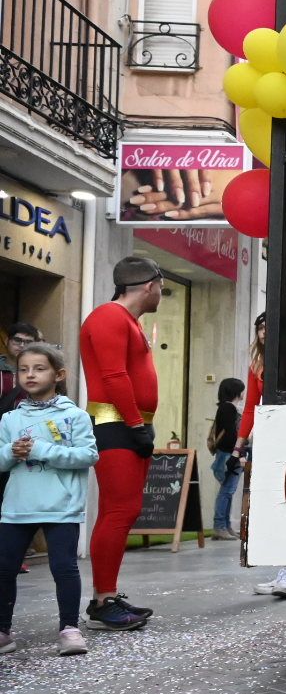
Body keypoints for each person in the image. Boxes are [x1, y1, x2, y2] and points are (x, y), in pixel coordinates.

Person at [79, 255, 163, 631]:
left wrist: (140, 424)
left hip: (126, 425)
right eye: (161, 287)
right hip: (116, 425)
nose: (161, 293)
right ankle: (102, 600)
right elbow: (114, 377)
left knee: (122, 511)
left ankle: (107, 596)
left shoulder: (123, 320)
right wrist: (135, 425)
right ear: (150, 285)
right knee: (118, 511)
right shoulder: (110, 317)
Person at [0, 343, 97, 656]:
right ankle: (3, 630)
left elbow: (88, 455)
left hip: (62, 507)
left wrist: (42, 450)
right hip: (17, 506)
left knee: (64, 567)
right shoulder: (9, 419)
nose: (30, 375)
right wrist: (9, 452)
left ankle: (69, 628)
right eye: (23, 369)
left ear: (59, 374)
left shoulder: (76, 416)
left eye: (39, 368)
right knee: (3, 568)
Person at [234, 313, 286, 599]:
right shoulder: (257, 365)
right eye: (259, 327)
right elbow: (250, 406)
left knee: (285, 499)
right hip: (269, 435)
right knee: (276, 499)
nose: (263, 332)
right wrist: (238, 446)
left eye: (267, 326)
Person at [209, 378, 245, 541]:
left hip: (226, 452)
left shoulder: (224, 408)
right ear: (236, 392)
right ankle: (220, 526)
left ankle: (225, 525)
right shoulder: (229, 408)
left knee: (228, 490)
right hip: (229, 454)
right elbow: (231, 434)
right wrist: (239, 453)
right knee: (227, 490)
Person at [0, 322, 39, 407]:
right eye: (17, 340)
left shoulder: (41, 371)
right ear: (7, 341)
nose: (22, 345)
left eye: (28, 342)